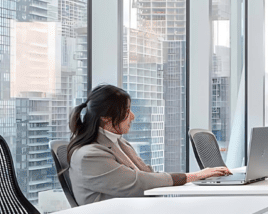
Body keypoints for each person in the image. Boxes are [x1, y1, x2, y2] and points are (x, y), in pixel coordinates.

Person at [65, 84, 230, 205]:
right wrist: (194, 176)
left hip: (133, 213)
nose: (133, 116)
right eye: (127, 111)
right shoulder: (90, 155)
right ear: (106, 118)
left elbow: (147, 173)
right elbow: (138, 182)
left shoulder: (119, 143)